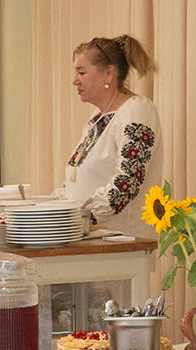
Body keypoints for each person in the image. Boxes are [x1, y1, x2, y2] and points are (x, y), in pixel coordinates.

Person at [54, 34, 162, 239]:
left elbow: (126, 183)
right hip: (87, 240)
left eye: (82, 72)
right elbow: (74, 183)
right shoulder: (96, 119)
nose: (74, 81)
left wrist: (80, 219)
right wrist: (42, 209)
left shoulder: (137, 111)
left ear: (108, 74)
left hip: (121, 244)